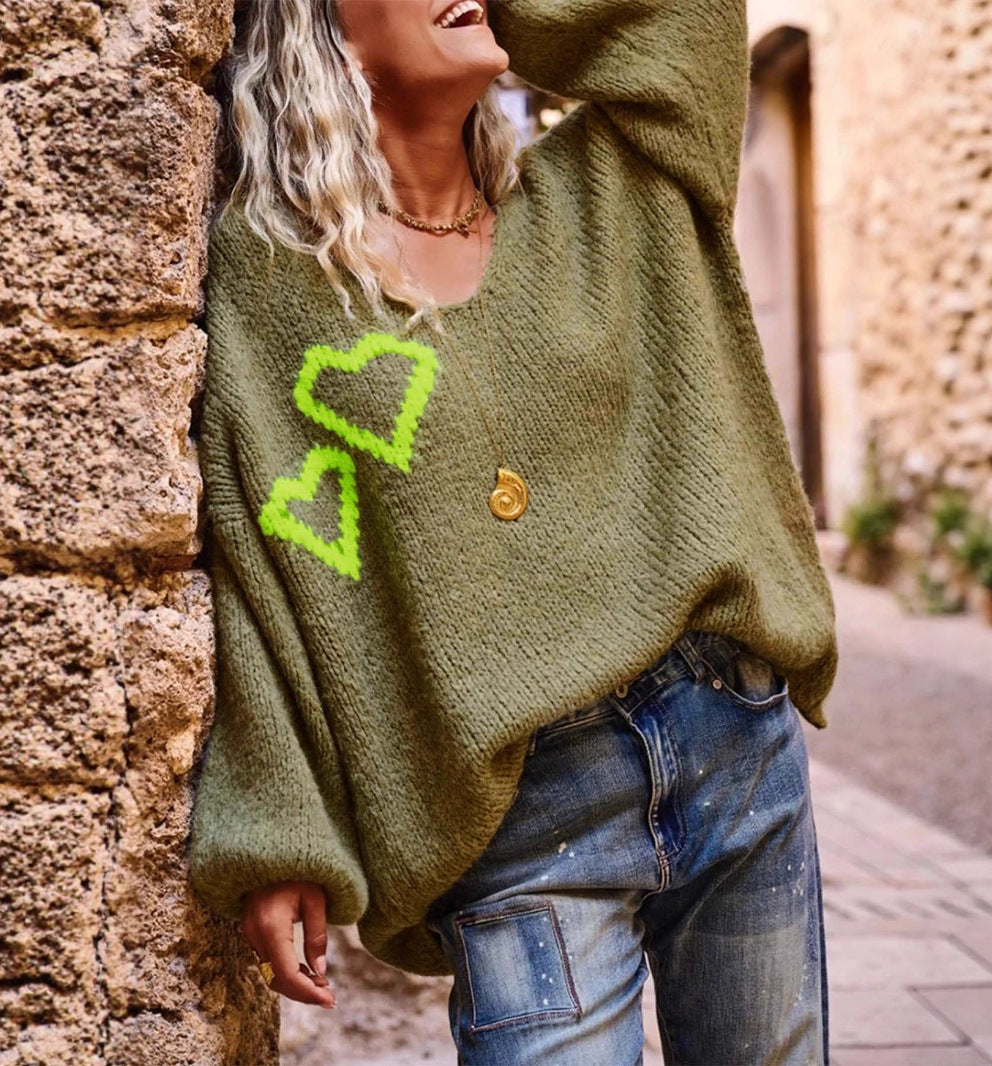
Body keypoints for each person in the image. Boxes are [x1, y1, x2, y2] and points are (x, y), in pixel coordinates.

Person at [187, 0, 839, 1062]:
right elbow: (262, 570)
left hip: (731, 737)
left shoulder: (617, 181)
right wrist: (278, 825)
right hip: (519, 813)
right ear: (319, 28)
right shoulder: (276, 285)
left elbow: (687, 19)